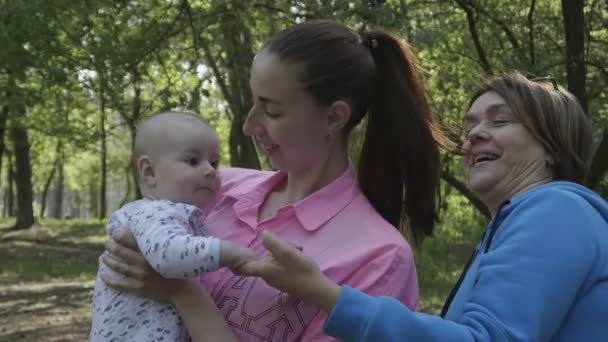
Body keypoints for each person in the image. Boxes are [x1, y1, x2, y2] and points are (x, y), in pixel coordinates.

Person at [100, 19, 448, 341]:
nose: (250, 125)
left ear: (334, 118)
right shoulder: (218, 188)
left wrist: (180, 289)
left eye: (272, 110)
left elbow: (165, 278)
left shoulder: (379, 258)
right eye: (253, 102)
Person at [238, 72, 608, 341]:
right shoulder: (518, 226)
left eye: (500, 120)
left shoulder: (556, 209)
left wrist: (322, 292)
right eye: (470, 125)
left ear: (551, 147)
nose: (474, 134)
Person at [90, 112, 257, 342]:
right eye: (192, 161)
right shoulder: (153, 212)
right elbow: (169, 255)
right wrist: (233, 253)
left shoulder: (170, 214)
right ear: (149, 172)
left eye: (214, 162)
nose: (210, 170)